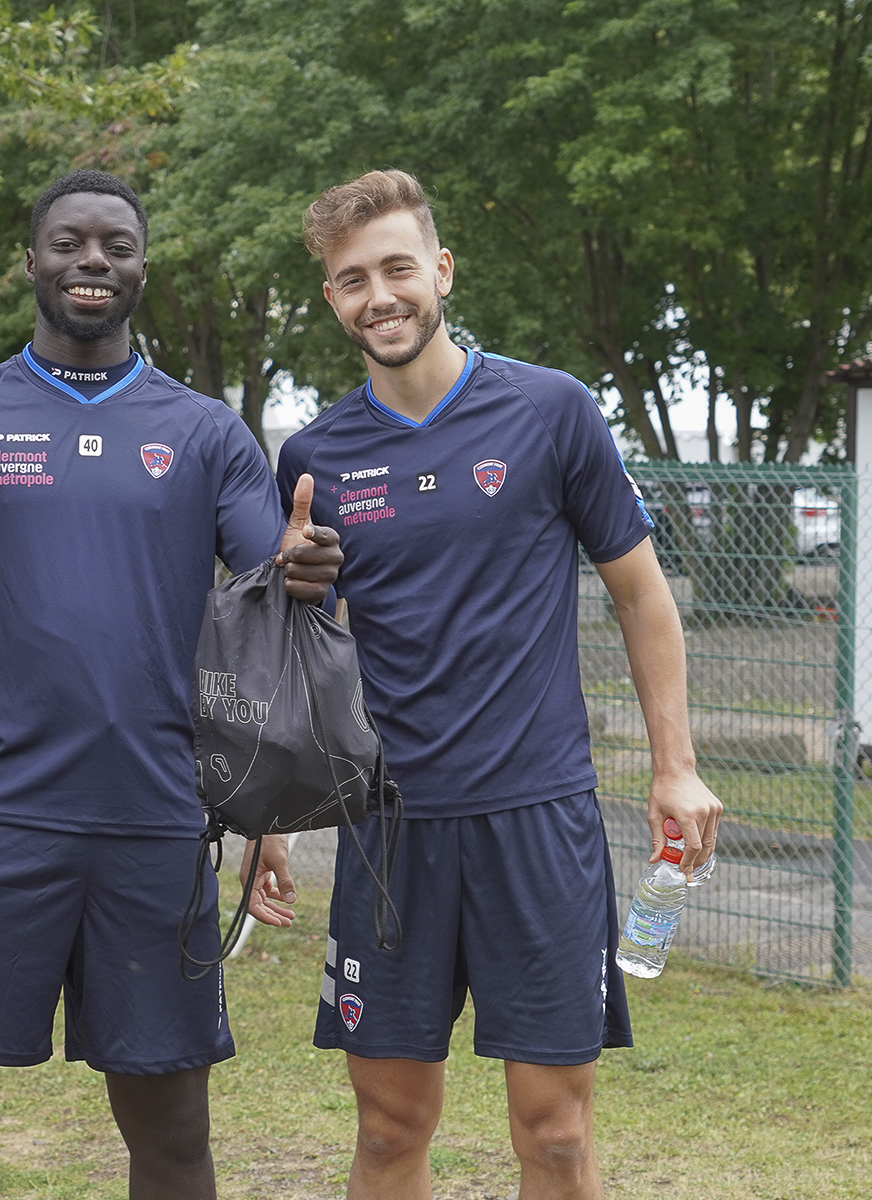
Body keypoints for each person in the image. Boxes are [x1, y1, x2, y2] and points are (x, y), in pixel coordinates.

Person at [0, 169, 343, 1200]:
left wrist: (304, 568)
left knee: (172, 1140)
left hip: (154, 826)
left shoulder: (201, 432)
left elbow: (273, 580)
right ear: (32, 262)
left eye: (115, 244)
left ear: (142, 264)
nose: (92, 261)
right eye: (68, 243)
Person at [259, 169, 723, 1200]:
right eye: (350, 280)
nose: (378, 295)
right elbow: (304, 648)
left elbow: (643, 598)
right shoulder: (312, 456)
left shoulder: (550, 411)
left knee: (554, 1136)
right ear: (331, 299)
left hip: (537, 822)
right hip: (389, 836)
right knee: (387, 1132)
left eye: (396, 268)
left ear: (442, 271)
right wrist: (274, 820)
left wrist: (675, 769)